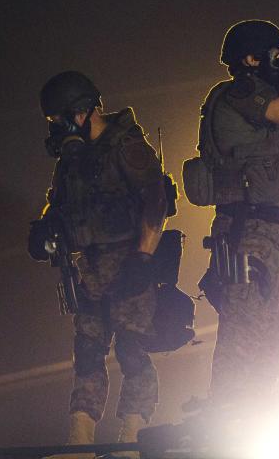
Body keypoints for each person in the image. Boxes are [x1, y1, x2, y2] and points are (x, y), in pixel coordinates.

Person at [29, 71, 167, 457]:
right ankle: (80, 441)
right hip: (88, 270)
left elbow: (157, 201)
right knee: (88, 352)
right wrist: (43, 231)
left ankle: (132, 439)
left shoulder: (126, 146)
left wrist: (143, 257)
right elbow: (59, 204)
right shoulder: (72, 160)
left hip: (129, 266)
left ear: (80, 111)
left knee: (132, 350)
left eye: (58, 119)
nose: (56, 128)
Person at [186, 19, 279, 407]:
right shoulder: (238, 96)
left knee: (272, 340)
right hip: (244, 230)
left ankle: (254, 417)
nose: (277, 63)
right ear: (249, 58)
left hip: (269, 234)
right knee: (243, 334)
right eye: (272, 56)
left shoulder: (264, 101)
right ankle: (226, 420)